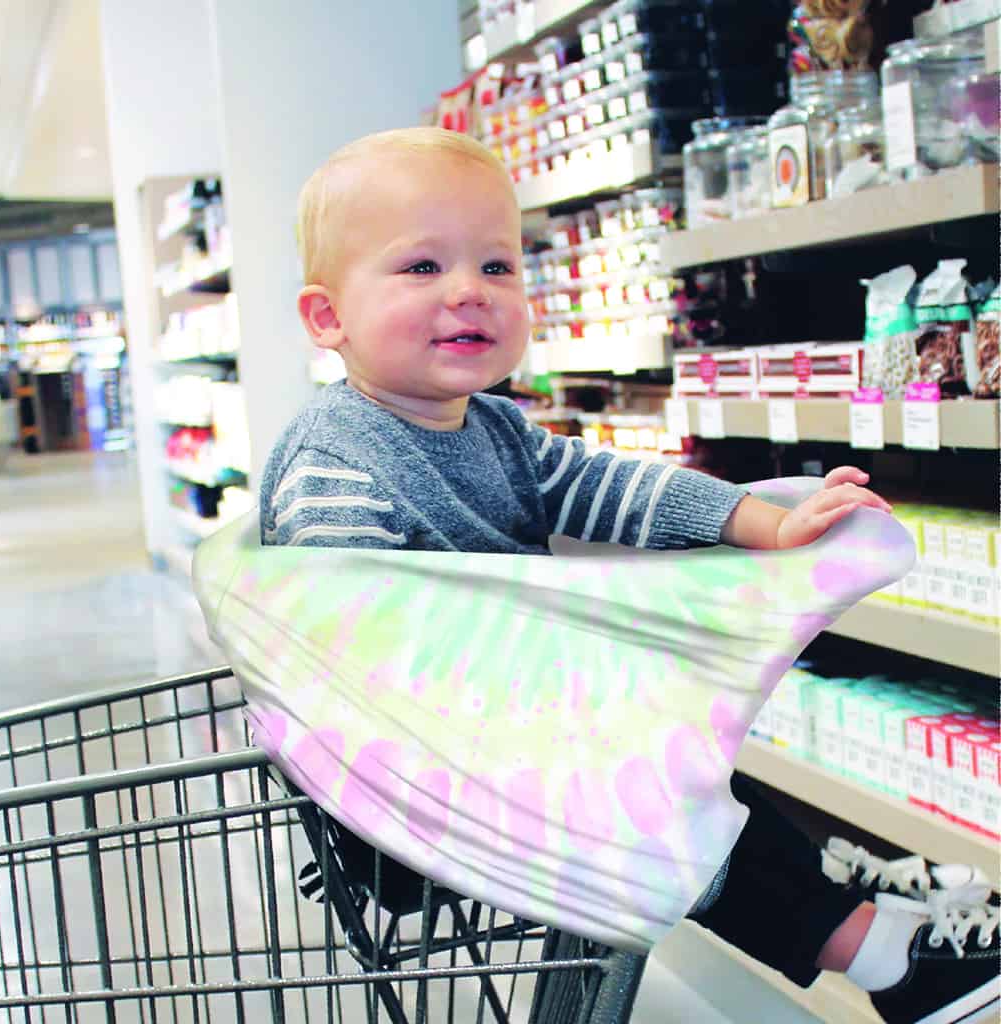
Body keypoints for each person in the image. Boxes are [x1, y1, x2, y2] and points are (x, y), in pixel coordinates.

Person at [260, 126, 999, 1024]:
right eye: (421, 268)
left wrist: (759, 520)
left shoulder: (491, 429)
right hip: (411, 783)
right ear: (327, 317)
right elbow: (334, 631)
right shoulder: (336, 458)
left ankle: (876, 926)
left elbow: (601, 484)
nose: (468, 292)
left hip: (504, 746)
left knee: (684, 771)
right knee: (657, 811)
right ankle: (882, 954)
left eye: (497, 267)